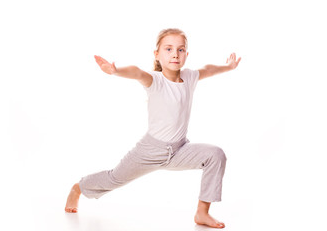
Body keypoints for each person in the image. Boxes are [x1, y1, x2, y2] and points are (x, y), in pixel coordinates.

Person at [65, 28, 241, 229]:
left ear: (186, 54)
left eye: (180, 49)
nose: (175, 54)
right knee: (114, 178)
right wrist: (116, 71)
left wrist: (229, 67)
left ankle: (202, 212)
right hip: (150, 150)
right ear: (157, 54)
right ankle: (78, 188)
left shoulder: (190, 77)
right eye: (168, 49)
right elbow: (137, 72)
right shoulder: (154, 80)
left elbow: (209, 69)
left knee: (216, 155)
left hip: (180, 149)